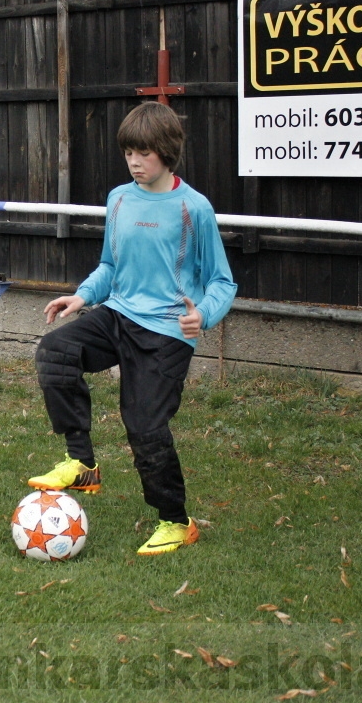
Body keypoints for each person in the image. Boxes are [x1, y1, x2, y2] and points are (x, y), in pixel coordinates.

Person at [30, 102, 237, 555]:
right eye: (128, 153)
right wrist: (83, 295)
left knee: (144, 425)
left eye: (143, 153)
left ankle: (175, 522)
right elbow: (111, 264)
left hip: (167, 331)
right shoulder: (119, 198)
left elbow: (223, 280)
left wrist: (205, 314)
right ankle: (82, 462)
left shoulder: (193, 208)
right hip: (118, 314)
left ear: (166, 151)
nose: (135, 162)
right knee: (55, 353)